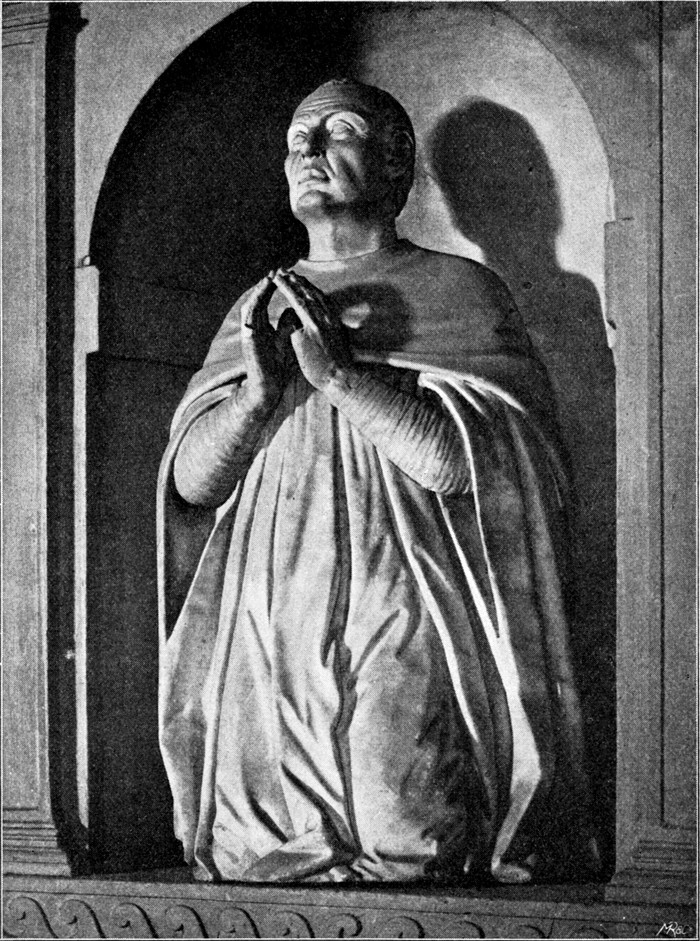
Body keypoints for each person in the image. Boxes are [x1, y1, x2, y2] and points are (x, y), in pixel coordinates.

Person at [157, 78, 597, 884]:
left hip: (405, 589)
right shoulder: (257, 304)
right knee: (256, 849)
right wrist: (256, 398)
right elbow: (191, 484)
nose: (310, 150)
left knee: (411, 835)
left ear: (397, 165)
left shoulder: (460, 291)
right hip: (271, 603)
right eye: (298, 138)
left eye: (339, 131)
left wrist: (341, 379)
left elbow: (475, 471)